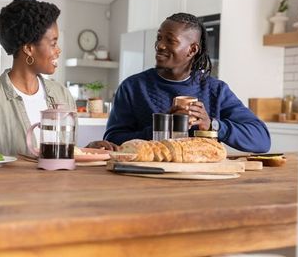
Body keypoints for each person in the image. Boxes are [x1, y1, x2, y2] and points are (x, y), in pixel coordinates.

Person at [0, 0, 117, 155]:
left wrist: (88, 150)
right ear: (28, 48)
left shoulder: (62, 95)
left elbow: (63, 156)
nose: (58, 50)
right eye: (53, 43)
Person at [104, 12, 270, 153]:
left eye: (170, 40)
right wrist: (162, 129)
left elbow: (262, 140)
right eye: (159, 38)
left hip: (204, 180)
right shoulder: (132, 87)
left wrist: (212, 125)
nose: (160, 45)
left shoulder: (216, 90)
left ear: (192, 49)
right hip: (148, 178)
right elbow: (112, 140)